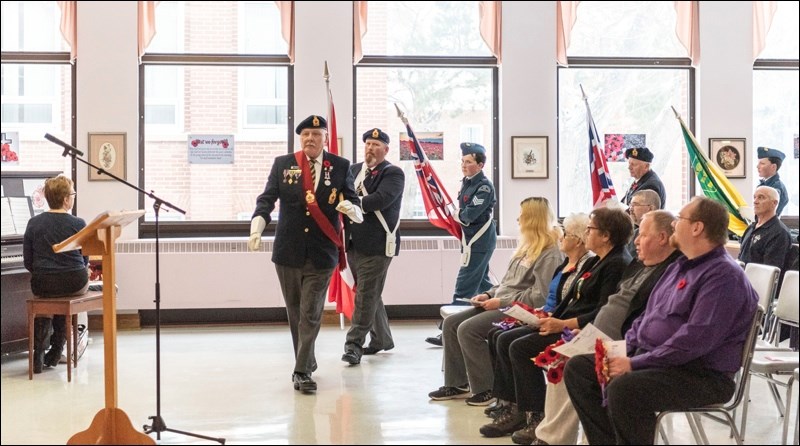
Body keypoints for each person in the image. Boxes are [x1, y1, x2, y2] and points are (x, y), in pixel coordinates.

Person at [564, 196, 759, 445]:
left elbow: (693, 340)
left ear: (697, 228)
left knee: (625, 388)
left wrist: (635, 363)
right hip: (662, 360)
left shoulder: (723, 276)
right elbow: (647, 316)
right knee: (580, 369)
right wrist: (625, 349)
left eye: (680, 219)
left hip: (700, 374)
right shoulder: (679, 266)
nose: (674, 224)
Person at [525, 210, 681, 446]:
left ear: (662, 238)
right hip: (602, 334)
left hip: (624, 341)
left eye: (643, 235)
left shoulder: (666, 269)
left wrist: (607, 339)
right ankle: (553, 436)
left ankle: (568, 438)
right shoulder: (639, 264)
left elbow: (648, 318)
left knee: (575, 366)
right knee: (560, 357)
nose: (636, 241)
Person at [480, 207, 633, 439]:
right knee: (506, 338)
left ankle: (535, 414)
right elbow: (571, 298)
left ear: (606, 235)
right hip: (569, 323)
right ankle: (515, 406)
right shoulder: (599, 261)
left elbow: (602, 312)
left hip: (586, 331)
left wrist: (561, 324)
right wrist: (548, 318)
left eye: (590, 229)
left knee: (518, 346)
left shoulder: (617, 263)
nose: (586, 233)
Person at [248, 114, 363, 393]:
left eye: (316, 134)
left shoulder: (339, 166)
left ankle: (301, 371)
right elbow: (267, 199)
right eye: (305, 135)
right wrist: (257, 225)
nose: (310, 139)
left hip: (323, 251)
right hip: (288, 250)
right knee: (295, 311)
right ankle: (307, 360)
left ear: (325, 137)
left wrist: (352, 208)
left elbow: (352, 198)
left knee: (311, 312)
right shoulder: (284, 164)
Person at [427, 197, 563, 405]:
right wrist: (489, 294)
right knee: (451, 323)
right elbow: (507, 282)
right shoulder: (526, 247)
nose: (518, 219)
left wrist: (501, 302)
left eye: (522, 215)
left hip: (520, 310)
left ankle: (488, 388)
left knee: (468, 329)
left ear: (533, 219)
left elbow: (541, 295)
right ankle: (457, 384)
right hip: (502, 302)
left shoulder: (550, 253)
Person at [341, 128, 405, 365]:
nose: (371, 148)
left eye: (376, 145)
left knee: (366, 295)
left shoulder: (393, 173)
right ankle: (382, 340)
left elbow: (381, 199)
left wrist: (350, 204)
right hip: (353, 243)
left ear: (386, 150)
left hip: (378, 244)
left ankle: (353, 345)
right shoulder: (354, 170)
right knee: (370, 293)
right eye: (368, 143)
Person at [426, 142, 497, 347]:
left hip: (479, 240)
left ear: (480, 165)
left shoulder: (484, 186)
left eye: (469, 162)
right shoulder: (467, 182)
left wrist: (455, 215)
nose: (464, 165)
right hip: (471, 240)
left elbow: (468, 215)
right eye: (463, 161)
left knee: (465, 284)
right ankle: (498, 320)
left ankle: (448, 330)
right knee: (484, 285)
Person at [22, 175, 89, 374]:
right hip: (75, 281)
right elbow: (84, 259)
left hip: (44, 282)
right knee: (66, 295)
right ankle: (57, 351)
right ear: (66, 199)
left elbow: (28, 261)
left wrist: (46, 273)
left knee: (48, 294)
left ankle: (38, 353)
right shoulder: (78, 223)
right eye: (73, 194)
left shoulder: (34, 223)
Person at [738, 185, 792, 272]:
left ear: (774, 203)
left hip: (759, 282)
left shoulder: (779, 232)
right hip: (741, 278)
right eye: (754, 197)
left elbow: (769, 271)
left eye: (761, 197)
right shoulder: (751, 228)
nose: (755, 201)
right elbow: (741, 258)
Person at [625, 190, 661, 258]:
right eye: (630, 205)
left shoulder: (658, 233)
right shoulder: (635, 233)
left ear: (650, 208)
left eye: (635, 205)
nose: (630, 209)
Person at [756, 146, 789, 216]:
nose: (757, 166)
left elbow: (768, 214)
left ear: (773, 167)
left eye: (762, 163)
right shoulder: (765, 184)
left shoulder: (776, 187)